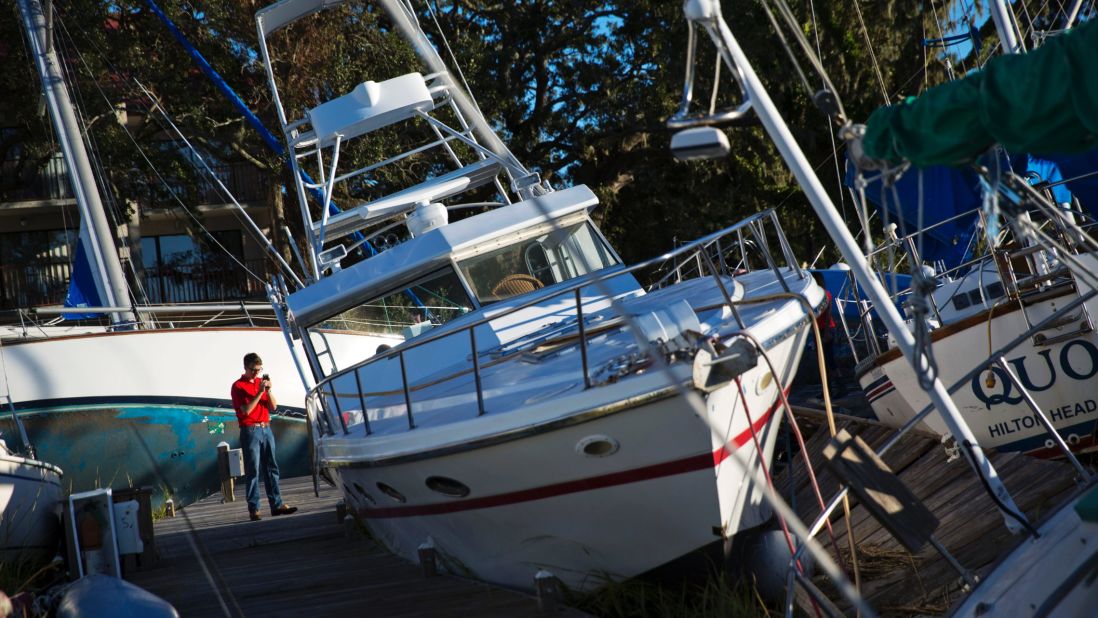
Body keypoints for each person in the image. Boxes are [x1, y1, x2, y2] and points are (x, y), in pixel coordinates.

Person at [231, 352, 297, 521]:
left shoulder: (261, 382)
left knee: (271, 467)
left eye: (259, 370)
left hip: (266, 428)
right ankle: (254, 509)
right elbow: (245, 410)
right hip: (250, 429)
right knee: (253, 470)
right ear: (245, 367)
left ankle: (276, 504)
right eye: (253, 370)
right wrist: (259, 393)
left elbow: (273, 406)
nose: (256, 374)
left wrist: (268, 391)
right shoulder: (238, 386)